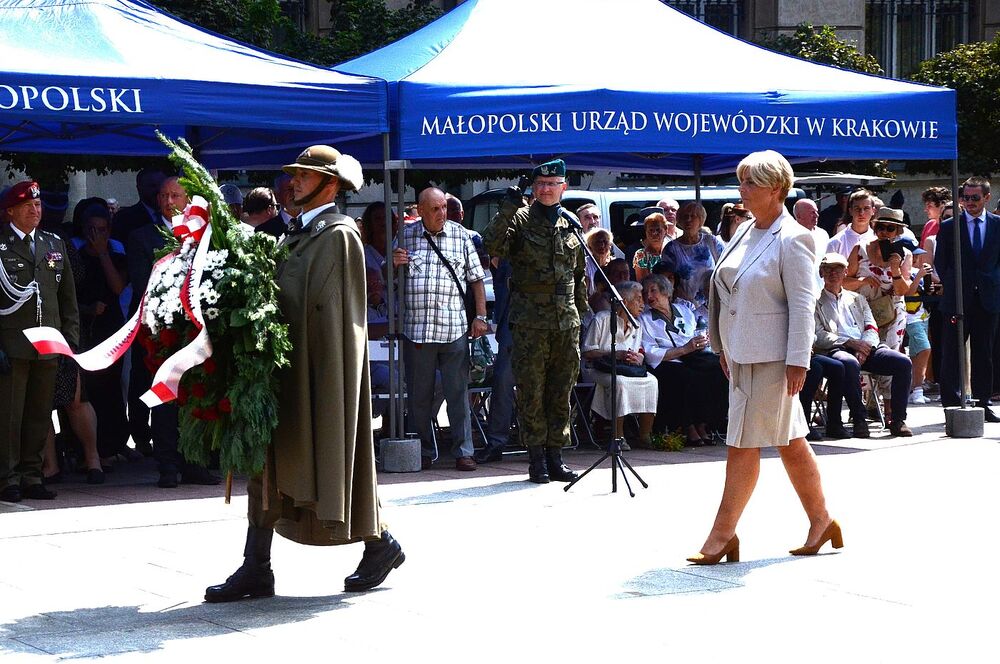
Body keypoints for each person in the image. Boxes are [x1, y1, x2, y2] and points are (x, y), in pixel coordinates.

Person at [205, 144, 405, 603]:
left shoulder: (337, 235)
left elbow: (331, 318)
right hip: (283, 368)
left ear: (329, 185)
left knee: (325, 462)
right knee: (268, 465)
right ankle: (257, 567)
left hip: (314, 370)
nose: (292, 181)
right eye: (293, 174)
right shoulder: (297, 234)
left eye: (304, 175)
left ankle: (380, 544)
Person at [689, 150, 840, 565]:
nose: (742, 190)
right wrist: (721, 345)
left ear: (776, 188)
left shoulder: (796, 237)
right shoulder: (744, 231)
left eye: (750, 182)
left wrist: (798, 360)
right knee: (790, 442)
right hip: (740, 354)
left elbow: (803, 304)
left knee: (742, 442)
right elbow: (725, 290)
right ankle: (822, 520)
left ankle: (722, 535)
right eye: (741, 181)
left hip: (773, 358)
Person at [482, 158, 589, 484]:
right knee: (532, 392)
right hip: (530, 322)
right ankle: (537, 460)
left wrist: (580, 315)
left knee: (560, 391)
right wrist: (507, 208)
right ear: (534, 187)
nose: (545, 189)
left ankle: (556, 456)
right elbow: (492, 244)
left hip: (566, 322)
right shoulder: (520, 219)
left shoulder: (571, 223)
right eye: (540, 184)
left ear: (563, 187)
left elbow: (579, 274)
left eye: (552, 184)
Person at [128, 176, 219, 489]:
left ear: (187, 200)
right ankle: (167, 464)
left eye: (175, 195)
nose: (168, 201)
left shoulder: (206, 236)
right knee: (165, 399)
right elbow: (143, 284)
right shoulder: (142, 237)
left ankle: (196, 462)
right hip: (160, 333)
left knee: (197, 397)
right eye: (163, 195)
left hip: (197, 332)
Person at [392, 187, 487, 471]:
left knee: (458, 393)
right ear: (420, 210)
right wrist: (393, 263)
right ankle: (422, 450)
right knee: (419, 395)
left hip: (453, 328)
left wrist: (480, 316)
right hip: (417, 330)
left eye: (444, 207)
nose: (441, 214)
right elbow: (389, 276)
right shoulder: (406, 235)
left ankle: (464, 451)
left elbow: (476, 280)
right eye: (435, 209)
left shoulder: (461, 235)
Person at [0, 181, 80, 503]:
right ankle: (8, 478)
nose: (36, 211)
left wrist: (70, 342)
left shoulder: (53, 243)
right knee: (10, 415)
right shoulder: (2, 245)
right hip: (12, 346)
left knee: (38, 415)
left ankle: (33, 475)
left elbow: (67, 298)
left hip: (47, 346)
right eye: (28, 206)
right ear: (10, 212)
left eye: (38, 205)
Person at [812, 252, 913, 436]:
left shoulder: (857, 298)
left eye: (837, 269)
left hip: (867, 347)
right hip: (838, 348)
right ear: (821, 273)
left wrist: (865, 347)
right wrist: (850, 342)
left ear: (845, 273)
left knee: (902, 362)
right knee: (848, 363)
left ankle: (898, 420)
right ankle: (859, 418)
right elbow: (819, 335)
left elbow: (871, 325)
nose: (832, 273)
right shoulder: (815, 303)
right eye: (827, 269)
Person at [71, 203, 130, 473]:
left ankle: (112, 446)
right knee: (86, 390)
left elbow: (118, 287)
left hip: (111, 327)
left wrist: (103, 252)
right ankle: (86, 450)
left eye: (102, 230)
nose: (96, 235)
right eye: (91, 230)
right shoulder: (75, 256)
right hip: (84, 327)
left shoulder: (116, 253)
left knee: (111, 387)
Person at [935, 176, 1000, 420]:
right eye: (965, 198)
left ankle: (982, 402)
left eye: (975, 198)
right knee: (951, 353)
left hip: (988, 298)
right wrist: (955, 285)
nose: (969, 202)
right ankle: (951, 404)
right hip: (957, 299)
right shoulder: (950, 226)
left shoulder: (996, 224)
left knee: (985, 353)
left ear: (986, 197)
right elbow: (941, 261)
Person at [640, 273, 727, 446]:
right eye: (645, 292)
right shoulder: (645, 319)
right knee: (686, 377)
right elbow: (651, 353)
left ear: (666, 292)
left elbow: (695, 334)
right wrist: (683, 349)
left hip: (693, 357)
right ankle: (688, 426)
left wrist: (699, 343)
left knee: (718, 371)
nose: (648, 296)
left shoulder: (684, 311)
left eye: (653, 291)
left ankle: (704, 423)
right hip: (667, 362)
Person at [581, 281, 657, 447]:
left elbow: (639, 352)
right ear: (624, 301)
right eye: (638, 299)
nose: (642, 304)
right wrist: (615, 354)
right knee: (620, 383)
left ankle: (645, 435)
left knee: (652, 381)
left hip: (625, 369)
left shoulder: (637, 326)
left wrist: (638, 358)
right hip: (598, 368)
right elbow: (587, 352)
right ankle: (618, 436)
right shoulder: (602, 319)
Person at [845, 208, 912, 352]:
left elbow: (902, 291)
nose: (884, 232)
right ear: (874, 228)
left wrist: (895, 269)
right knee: (864, 352)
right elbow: (843, 282)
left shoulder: (905, 255)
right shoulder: (860, 249)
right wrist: (862, 281)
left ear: (898, 231)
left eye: (890, 228)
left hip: (892, 312)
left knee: (890, 355)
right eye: (880, 227)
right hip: (863, 309)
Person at [659, 201, 725, 324]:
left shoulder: (712, 242)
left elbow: (725, 271)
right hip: (684, 308)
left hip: (713, 305)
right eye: (685, 216)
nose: (688, 219)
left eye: (693, 216)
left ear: (701, 220)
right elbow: (666, 280)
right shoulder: (671, 248)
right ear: (679, 220)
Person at [111, 168, 166, 244]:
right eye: (153, 186)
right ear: (139, 188)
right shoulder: (124, 218)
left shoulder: (176, 215)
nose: (158, 190)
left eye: (161, 186)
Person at [827, 189, 876, 260]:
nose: (861, 213)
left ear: (873, 211)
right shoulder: (835, 243)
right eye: (857, 208)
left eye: (866, 208)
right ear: (850, 211)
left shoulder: (877, 240)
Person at [794, 198, 829, 296]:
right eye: (812, 213)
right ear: (799, 216)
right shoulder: (789, 236)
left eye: (816, 212)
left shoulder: (823, 234)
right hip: (800, 293)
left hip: (821, 292)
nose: (816, 215)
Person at [254, 173, 296, 237]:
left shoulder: (313, 223)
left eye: (297, 189)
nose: (294, 193)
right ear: (277, 196)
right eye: (289, 189)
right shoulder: (263, 232)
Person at [632, 212, 669, 282]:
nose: (654, 233)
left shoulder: (672, 251)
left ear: (666, 231)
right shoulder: (641, 255)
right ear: (646, 232)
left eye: (658, 230)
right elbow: (643, 282)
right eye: (651, 230)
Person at [583, 227, 614, 296]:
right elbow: (584, 292)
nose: (602, 245)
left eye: (605, 242)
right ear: (589, 247)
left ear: (610, 246)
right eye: (597, 242)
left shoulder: (615, 264)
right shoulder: (585, 264)